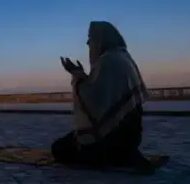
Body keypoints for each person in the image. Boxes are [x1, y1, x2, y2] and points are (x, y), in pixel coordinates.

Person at [50, 21, 153, 171]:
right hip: (130, 135)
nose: (88, 43)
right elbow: (103, 95)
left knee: (60, 149)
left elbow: (93, 101)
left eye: (90, 38)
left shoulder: (107, 61)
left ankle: (117, 156)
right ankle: (125, 153)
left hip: (113, 137)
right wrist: (81, 75)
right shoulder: (123, 57)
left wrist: (77, 75)